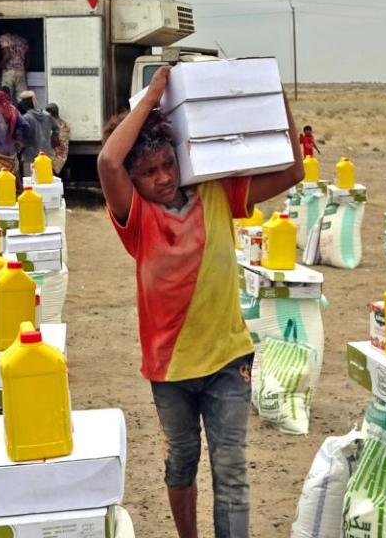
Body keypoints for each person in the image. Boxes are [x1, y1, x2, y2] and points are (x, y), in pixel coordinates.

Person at [97, 65, 304, 538]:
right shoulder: (137, 217)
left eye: (169, 163)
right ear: (134, 180)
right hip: (169, 368)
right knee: (182, 462)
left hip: (228, 359)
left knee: (231, 471)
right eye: (148, 172)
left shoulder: (216, 190)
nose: (163, 178)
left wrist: (274, 100)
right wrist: (151, 98)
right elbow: (109, 164)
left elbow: (292, 168)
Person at [16, 90, 59, 178]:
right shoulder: (47, 115)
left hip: (29, 156)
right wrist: (52, 142)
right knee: (44, 181)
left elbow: (19, 136)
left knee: (30, 182)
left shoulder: (25, 118)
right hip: (45, 155)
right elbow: (56, 129)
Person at [0, 33, 29, 98]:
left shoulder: (4, 38)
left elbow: (7, 55)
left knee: (7, 97)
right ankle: (22, 108)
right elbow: (27, 59)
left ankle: (8, 108)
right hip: (20, 71)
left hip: (8, 71)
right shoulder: (23, 40)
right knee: (22, 97)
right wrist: (24, 70)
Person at [45, 102, 70, 175]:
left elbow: (59, 141)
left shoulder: (60, 125)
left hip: (56, 155)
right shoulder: (63, 124)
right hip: (55, 154)